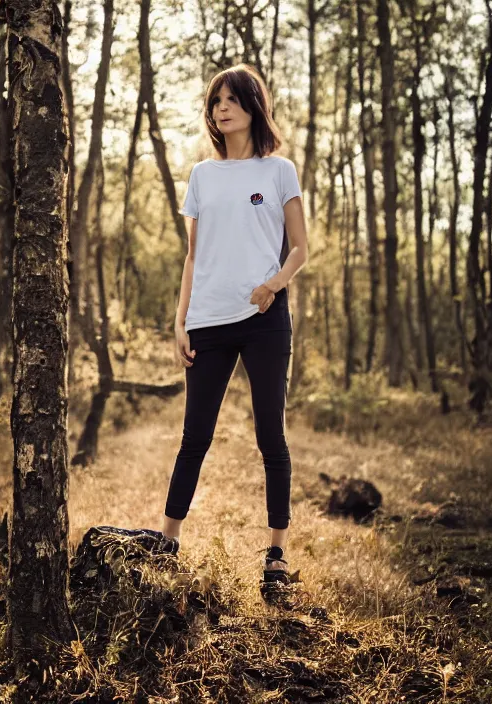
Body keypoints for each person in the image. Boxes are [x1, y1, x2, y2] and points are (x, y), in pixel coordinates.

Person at [152, 63, 308, 586]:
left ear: (252, 105)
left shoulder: (278, 170)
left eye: (231, 98)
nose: (221, 106)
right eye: (215, 100)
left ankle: (276, 557)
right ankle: (167, 543)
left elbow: (301, 248)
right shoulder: (201, 175)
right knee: (194, 435)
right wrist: (180, 322)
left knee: (271, 436)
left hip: (265, 320)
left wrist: (273, 285)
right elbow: (193, 256)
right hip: (208, 321)